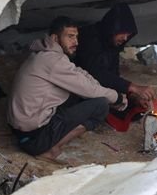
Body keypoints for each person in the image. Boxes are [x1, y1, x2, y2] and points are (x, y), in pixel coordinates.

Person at [7, 16, 127, 164]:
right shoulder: (54, 62)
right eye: (70, 37)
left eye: (76, 37)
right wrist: (118, 98)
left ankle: (48, 140)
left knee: (79, 95)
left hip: (21, 132)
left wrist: (99, 88)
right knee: (100, 105)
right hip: (33, 139)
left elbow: (80, 74)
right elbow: (88, 89)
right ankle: (51, 149)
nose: (75, 42)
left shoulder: (44, 54)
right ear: (55, 38)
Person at [75, 3, 157, 110]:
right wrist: (132, 87)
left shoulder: (112, 44)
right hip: (78, 89)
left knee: (133, 108)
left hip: (99, 89)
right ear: (113, 28)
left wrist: (133, 96)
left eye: (128, 35)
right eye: (123, 33)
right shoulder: (89, 37)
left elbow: (113, 75)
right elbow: (95, 72)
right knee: (101, 106)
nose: (125, 38)